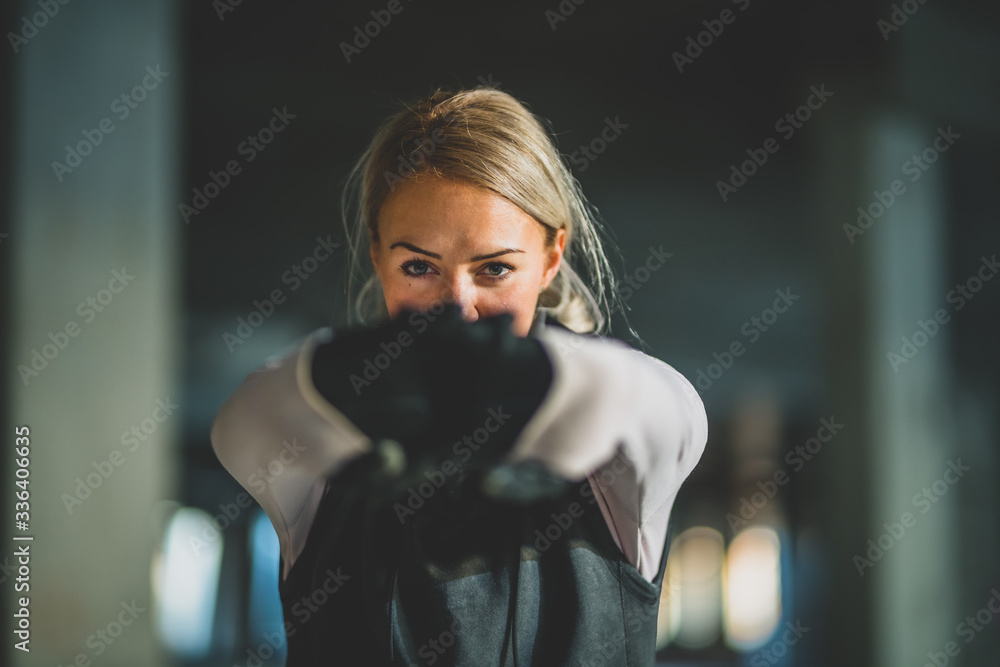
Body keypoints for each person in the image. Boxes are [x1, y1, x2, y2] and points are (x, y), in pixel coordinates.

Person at [210, 86, 708, 666]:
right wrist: (345, 381)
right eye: (418, 266)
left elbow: (664, 407)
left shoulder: (622, 469)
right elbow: (245, 420)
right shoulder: (316, 460)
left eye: (495, 269)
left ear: (551, 258)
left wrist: (534, 383)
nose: (458, 308)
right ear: (377, 255)